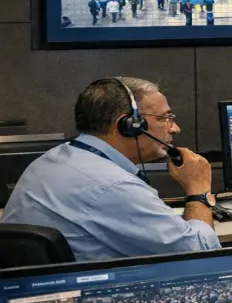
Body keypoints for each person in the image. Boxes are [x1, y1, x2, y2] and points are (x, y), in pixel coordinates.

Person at [1, 77, 220, 261]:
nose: (175, 128)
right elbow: (200, 255)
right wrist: (198, 190)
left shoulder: (54, 158)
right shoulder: (112, 186)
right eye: (165, 118)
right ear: (129, 126)